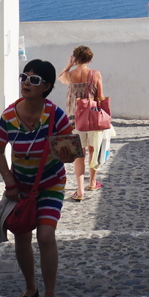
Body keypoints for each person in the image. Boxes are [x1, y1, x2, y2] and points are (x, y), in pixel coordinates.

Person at [0, 58, 76, 297]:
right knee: (22, 235)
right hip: (21, 187)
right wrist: (9, 181)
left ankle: (50, 296)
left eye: (34, 80)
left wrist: (64, 149)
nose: (27, 83)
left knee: (46, 236)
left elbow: (70, 154)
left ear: (46, 86)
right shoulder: (9, 116)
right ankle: (31, 288)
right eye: (24, 77)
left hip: (50, 184)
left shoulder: (55, 115)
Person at [57, 46, 110, 200]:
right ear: (90, 60)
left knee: (79, 155)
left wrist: (68, 66)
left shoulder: (69, 75)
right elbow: (100, 97)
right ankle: (92, 182)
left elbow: (60, 77)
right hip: (93, 118)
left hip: (75, 120)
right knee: (93, 150)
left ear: (75, 59)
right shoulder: (95, 74)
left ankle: (80, 191)